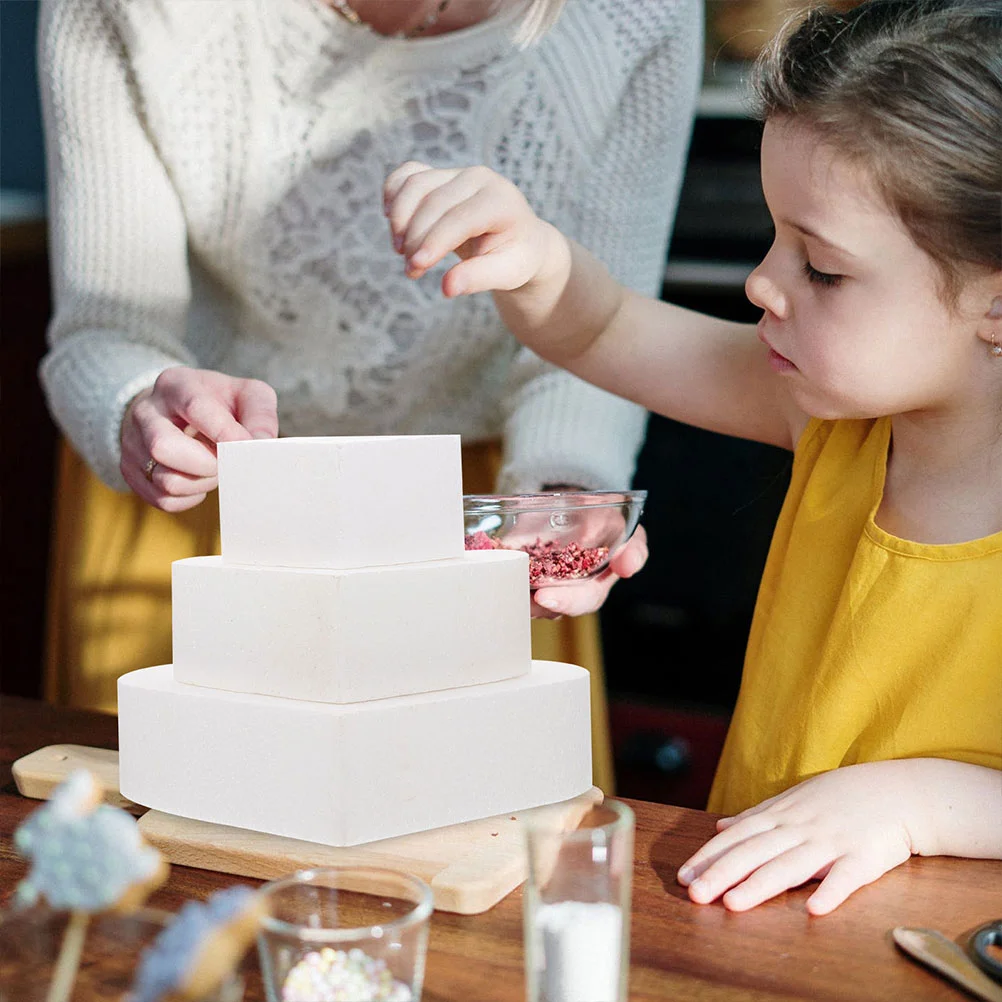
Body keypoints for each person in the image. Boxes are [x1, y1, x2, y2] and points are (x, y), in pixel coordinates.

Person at [383, 0, 1002, 913]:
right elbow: (609, 328)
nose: (763, 282)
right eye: (775, 239)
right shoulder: (829, 421)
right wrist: (535, 259)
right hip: (756, 931)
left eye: (821, 268)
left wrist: (916, 804)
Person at [37, 0, 704, 794]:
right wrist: (139, 407)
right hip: (202, 512)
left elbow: (598, 334)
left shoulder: (639, 14)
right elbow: (103, 328)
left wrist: (560, 503)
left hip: (473, 534)